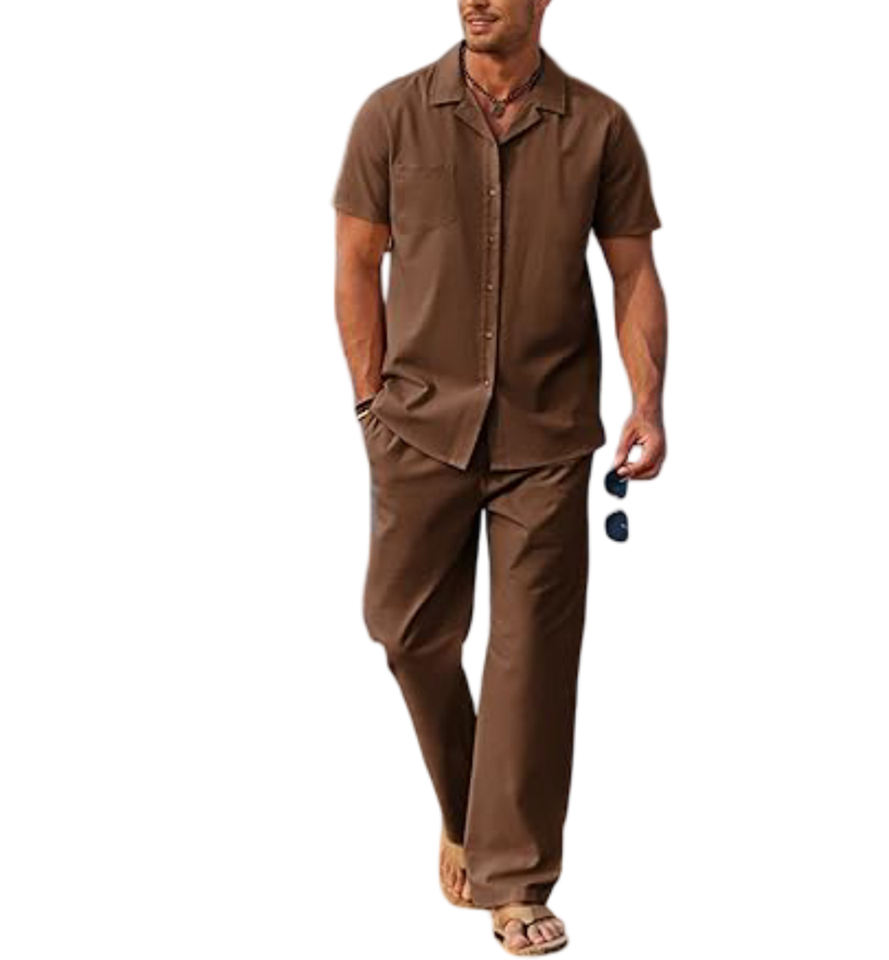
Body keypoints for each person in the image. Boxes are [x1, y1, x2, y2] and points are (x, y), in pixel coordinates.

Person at [332, 1, 667, 953]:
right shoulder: (391, 115)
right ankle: (468, 809)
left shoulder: (600, 126)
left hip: (547, 438)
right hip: (418, 428)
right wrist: (369, 405)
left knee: (531, 660)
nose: (475, 0)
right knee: (404, 630)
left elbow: (633, 273)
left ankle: (515, 882)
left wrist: (647, 403)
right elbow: (355, 264)